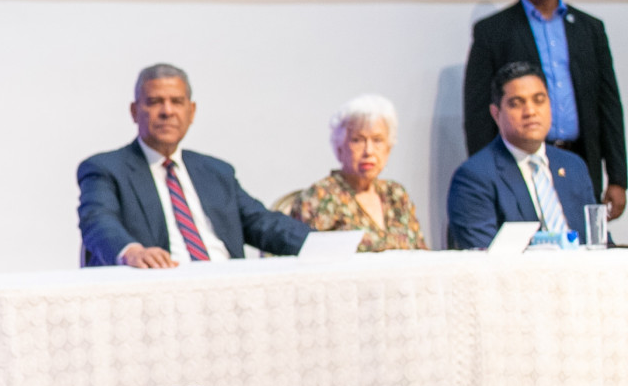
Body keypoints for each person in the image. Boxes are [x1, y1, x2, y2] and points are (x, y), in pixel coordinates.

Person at [78, 64, 310, 267]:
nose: (167, 111)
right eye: (155, 102)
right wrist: (132, 252)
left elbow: (263, 223)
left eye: (177, 102)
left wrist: (323, 244)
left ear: (191, 112)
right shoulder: (106, 169)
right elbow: (98, 221)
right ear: (134, 111)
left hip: (228, 282)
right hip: (161, 283)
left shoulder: (216, 172)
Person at [463, 0, 625, 220]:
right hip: (518, 162)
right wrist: (487, 176)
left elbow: (609, 105)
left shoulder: (589, 29)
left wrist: (618, 177)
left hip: (580, 160)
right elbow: (478, 114)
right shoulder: (493, 31)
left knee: (581, 240)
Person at [448, 61, 598, 249]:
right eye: (517, 104)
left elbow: (597, 241)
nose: (530, 111)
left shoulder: (573, 166)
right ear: (496, 114)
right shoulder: (474, 177)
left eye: (539, 100)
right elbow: (484, 256)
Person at [285, 95, 427, 251]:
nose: (369, 151)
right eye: (357, 140)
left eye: (377, 140)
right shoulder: (320, 197)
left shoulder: (396, 195)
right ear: (340, 146)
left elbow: (422, 254)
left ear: (389, 147)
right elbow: (308, 258)